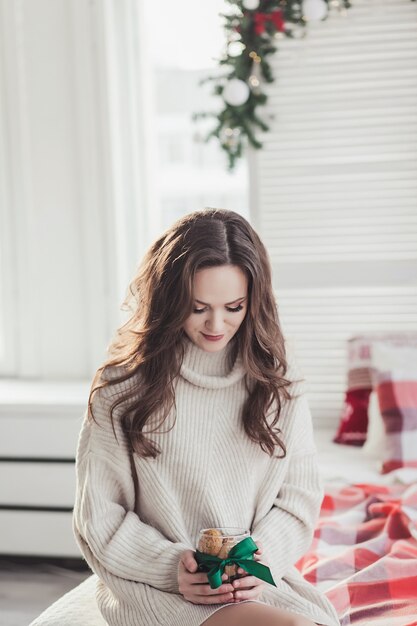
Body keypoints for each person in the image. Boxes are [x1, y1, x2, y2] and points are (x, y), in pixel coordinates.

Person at [72, 208, 340, 626]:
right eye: (198, 308)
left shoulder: (277, 382)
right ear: (170, 300)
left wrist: (260, 560)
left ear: (254, 300)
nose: (218, 324)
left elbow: (299, 499)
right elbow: (99, 517)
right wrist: (172, 566)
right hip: (160, 588)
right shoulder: (122, 387)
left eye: (234, 306)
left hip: (255, 581)